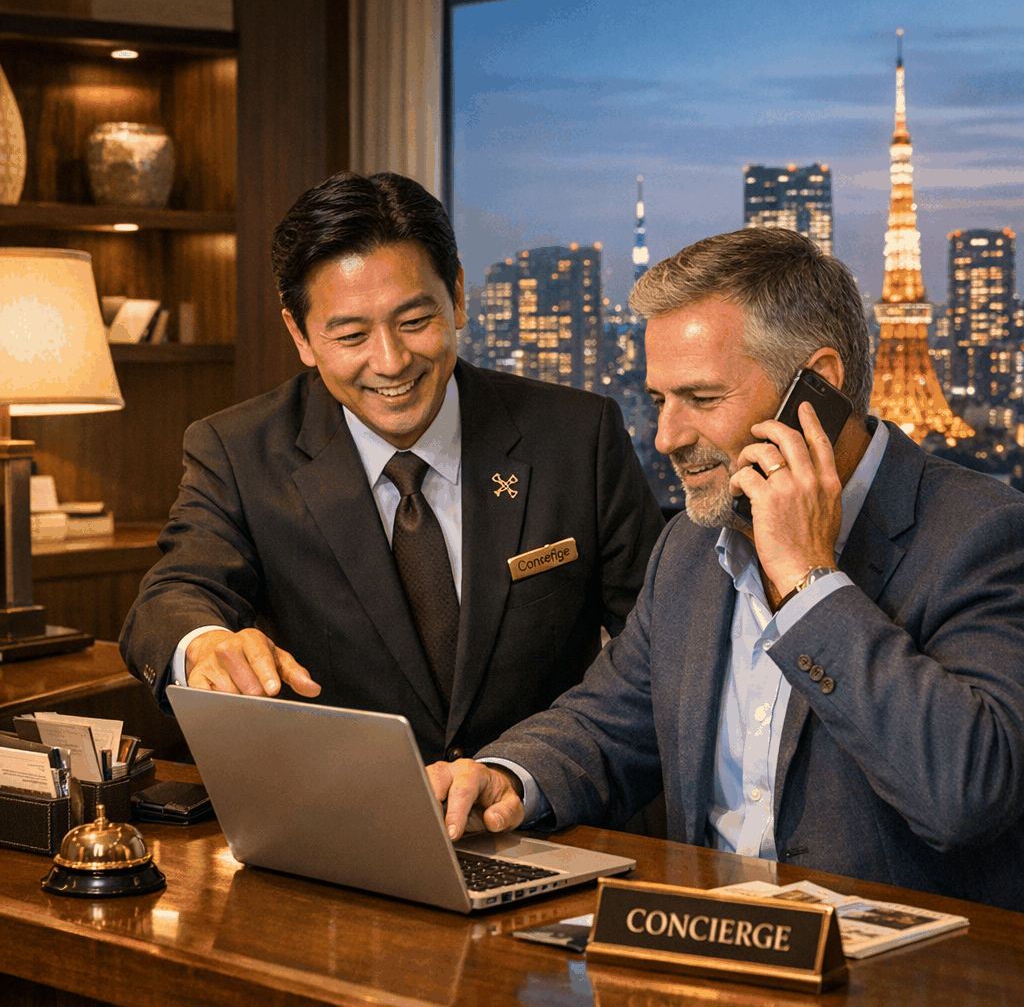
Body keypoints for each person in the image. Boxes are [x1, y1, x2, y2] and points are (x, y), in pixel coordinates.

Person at [431, 228, 1024, 911]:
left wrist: (807, 579)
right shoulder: (689, 547)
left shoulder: (985, 535)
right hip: (707, 943)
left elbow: (966, 794)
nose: (667, 438)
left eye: (703, 400)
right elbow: (607, 725)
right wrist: (508, 777)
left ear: (818, 387)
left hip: (902, 960)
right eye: (660, 400)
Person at [119, 171, 663, 765]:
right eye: (351, 334)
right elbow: (173, 595)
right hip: (344, 806)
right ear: (300, 334)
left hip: (548, 801)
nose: (391, 361)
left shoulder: (579, 436)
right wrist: (203, 644)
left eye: (414, 322)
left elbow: (658, 644)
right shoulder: (237, 451)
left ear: (457, 296)